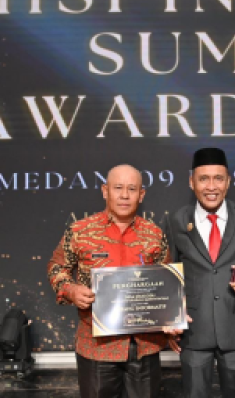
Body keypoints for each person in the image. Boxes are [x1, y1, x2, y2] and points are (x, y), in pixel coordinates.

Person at [47, 164, 171, 398]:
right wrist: (71, 290)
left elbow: (166, 283)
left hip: (144, 346)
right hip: (96, 346)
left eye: (132, 189)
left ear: (141, 194)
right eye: (118, 188)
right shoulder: (80, 231)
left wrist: (172, 318)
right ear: (105, 191)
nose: (124, 195)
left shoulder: (154, 234)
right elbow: (57, 267)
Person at [164, 147, 235, 398]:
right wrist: (171, 318)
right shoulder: (176, 220)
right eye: (203, 179)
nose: (211, 187)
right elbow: (169, 273)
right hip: (193, 331)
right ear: (191, 182)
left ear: (228, 182)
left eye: (218, 179)